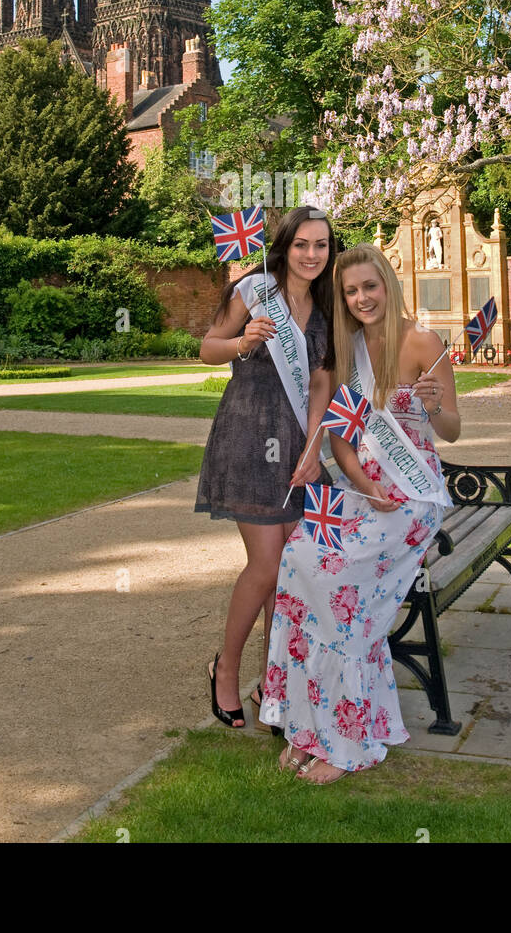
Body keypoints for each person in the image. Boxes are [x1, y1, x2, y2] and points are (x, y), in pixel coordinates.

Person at [260, 242, 461, 781]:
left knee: (339, 580)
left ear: (388, 284)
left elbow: (451, 431)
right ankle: (305, 726)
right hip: (366, 487)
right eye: (350, 291)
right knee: (300, 558)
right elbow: (342, 437)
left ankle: (344, 740)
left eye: (369, 286)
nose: (361, 297)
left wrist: (434, 403)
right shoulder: (346, 349)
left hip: (413, 496)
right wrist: (362, 481)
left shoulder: (421, 342)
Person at [196, 206, 336, 729]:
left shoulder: (326, 306)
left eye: (321, 245)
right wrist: (241, 342)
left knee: (291, 573)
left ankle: (272, 687)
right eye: (302, 244)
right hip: (250, 436)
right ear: (284, 246)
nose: (311, 255)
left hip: (299, 444)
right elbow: (207, 349)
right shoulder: (253, 290)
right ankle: (225, 671)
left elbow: (321, 381)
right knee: (268, 565)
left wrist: (316, 444)